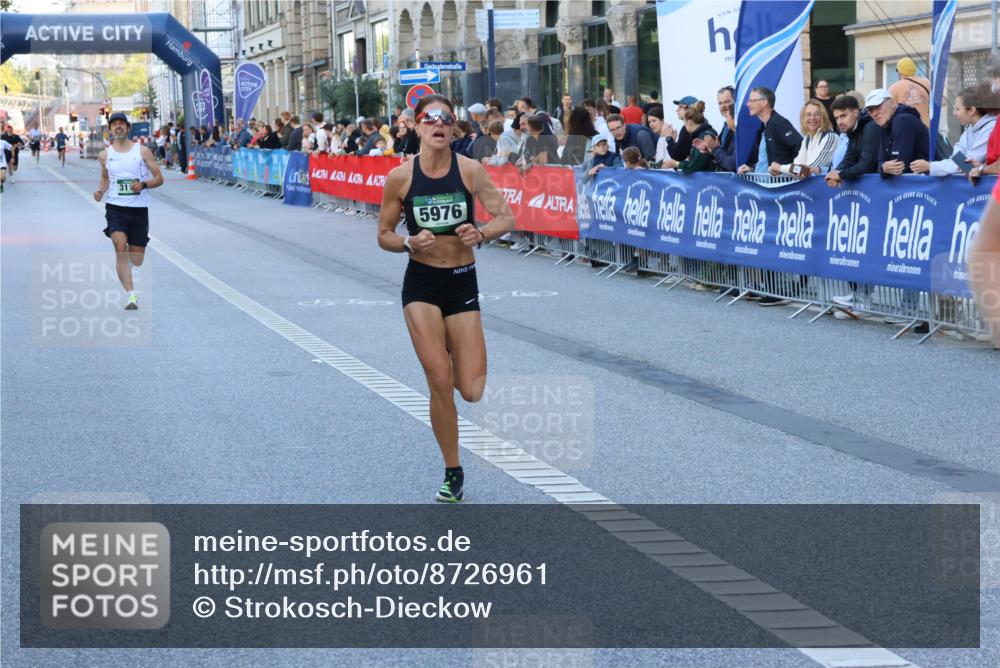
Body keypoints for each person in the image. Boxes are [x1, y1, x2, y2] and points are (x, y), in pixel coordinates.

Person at [377, 94, 516, 503]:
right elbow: (383, 234)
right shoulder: (400, 177)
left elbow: (505, 216)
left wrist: (483, 233)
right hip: (421, 284)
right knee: (439, 380)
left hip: (461, 281)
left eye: (446, 119)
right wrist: (406, 242)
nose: (438, 124)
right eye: (429, 118)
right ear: (417, 126)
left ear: (453, 128)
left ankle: (454, 349)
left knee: (470, 389)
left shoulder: (469, 170)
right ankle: (452, 471)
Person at [92, 113, 164, 311]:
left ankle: (126, 266)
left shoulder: (142, 152)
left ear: (128, 128)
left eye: (121, 124)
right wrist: (100, 191)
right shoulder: (104, 155)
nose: (118, 127)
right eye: (114, 124)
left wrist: (144, 184)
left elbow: (159, 178)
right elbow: (105, 177)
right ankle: (131, 296)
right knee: (121, 246)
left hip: (139, 210)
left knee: (137, 260)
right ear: (110, 130)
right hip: (115, 209)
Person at [912, 84, 996, 176]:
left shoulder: (991, 129)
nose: (954, 113)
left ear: (971, 110)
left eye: (957, 109)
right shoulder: (970, 129)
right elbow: (957, 159)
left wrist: (930, 166)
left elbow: (966, 165)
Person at [737, 86, 803, 174]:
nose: (748, 104)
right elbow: (765, 159)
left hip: (779, 185)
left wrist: (784, 170)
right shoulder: (763, 127)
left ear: (764, 102)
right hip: (764, 183)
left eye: (752, 100)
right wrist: (752, 169)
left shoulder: (778, 122)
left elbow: (801, 148)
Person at [864, 88, 928, 177]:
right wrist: (884, 168)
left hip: (928, 183)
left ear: (893, 103)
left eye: (878, 107)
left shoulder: (902, 120)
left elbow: (899, 166)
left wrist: (884, 168)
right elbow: (880, 164)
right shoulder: (886, 124)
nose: (874, 113)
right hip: (916, 184)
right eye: (870, 110)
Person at [771, 99, 837, 177]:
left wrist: (779, 168)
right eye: (808, 114)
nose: (812, 118)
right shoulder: (807, 139)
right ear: (803, 118)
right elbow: (797, 164)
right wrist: (779, 171)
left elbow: (807, 170)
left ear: (823, 117)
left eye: (817, 114)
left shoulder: (830, 137)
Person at [825, 94, 881, 187]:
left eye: (843, 116)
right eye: (836, 118)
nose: (839, 122)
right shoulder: (853, 127)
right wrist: (835, 171)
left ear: (855, 113)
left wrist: (840, 175)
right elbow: (850, 156)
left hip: (882, 185)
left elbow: (867, 164)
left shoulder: (871, 127)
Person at [661, 101, 717, 174]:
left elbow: (694, 167)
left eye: (684, 122)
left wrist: (676, 164)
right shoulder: (704, 133)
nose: (684, 126)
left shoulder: (703, 137)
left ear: (689, 122)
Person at [693, 86, 738, 172]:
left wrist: (715, 149)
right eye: (720, 103)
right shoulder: (725, 127)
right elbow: (723, 155)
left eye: (727, 102)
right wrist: (710, 150)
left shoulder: (741, 128)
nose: (723, 106)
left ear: (736, 101)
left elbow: (732, 163)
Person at [889, 57, 930, 127]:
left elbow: (890, 112)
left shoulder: (894, 88)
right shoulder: (927, 83)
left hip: (906, 129)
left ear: (899, 71)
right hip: (925, 128)